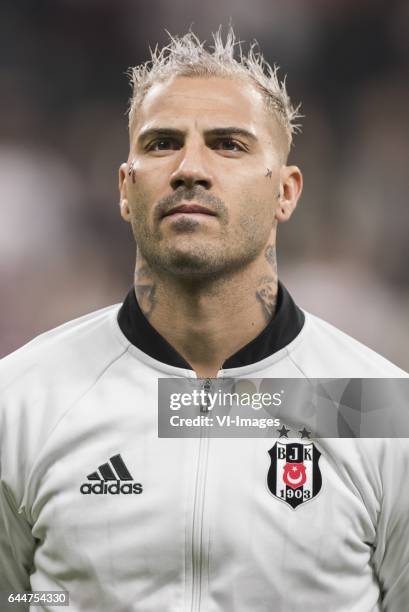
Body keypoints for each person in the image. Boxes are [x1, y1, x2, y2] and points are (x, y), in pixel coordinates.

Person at [0, 29, 408, 612]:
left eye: (229, 145)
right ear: (125, 187)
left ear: (286, 193)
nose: (191, 167)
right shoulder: (20, 399)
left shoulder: (377, 409)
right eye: (163, 142)